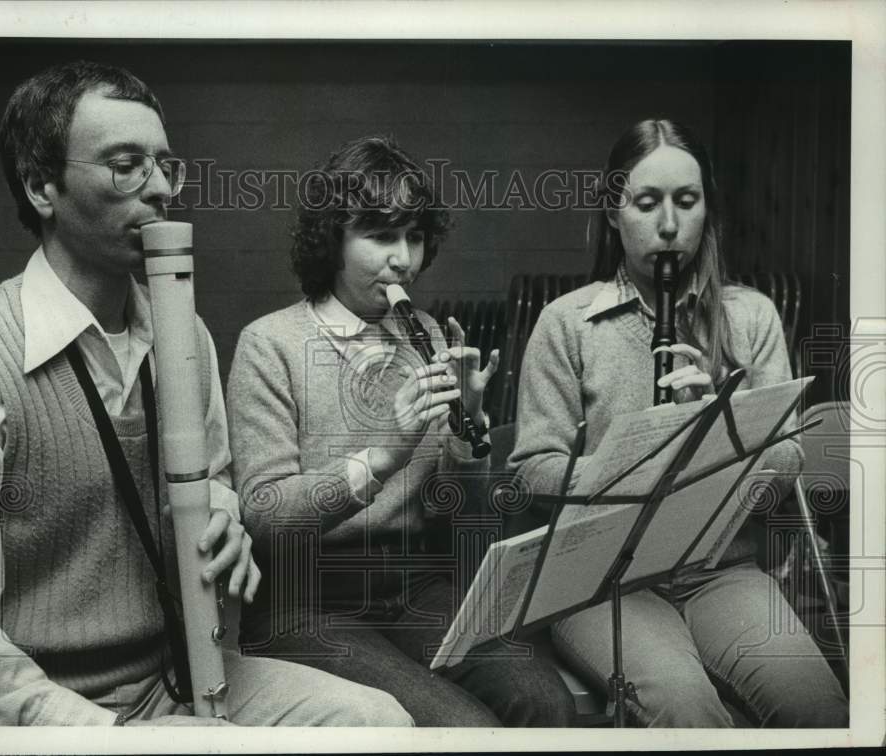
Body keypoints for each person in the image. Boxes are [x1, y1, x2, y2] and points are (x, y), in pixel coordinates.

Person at [0, 60, 413, 727]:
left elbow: (213, 483)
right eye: (125, 165)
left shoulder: (187, 336)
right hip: (50, 706)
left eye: (164, 165)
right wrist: (106, 735)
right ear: (42, 187)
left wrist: (226, 517)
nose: (158, 190)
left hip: (178, 673)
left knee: (378, 723)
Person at [507, 118, 849, 727]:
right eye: (646, 203)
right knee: (684, 707)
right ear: (614, 214)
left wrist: (724, 421)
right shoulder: (566, 324)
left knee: (818, 708)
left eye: (686, 202)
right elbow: (532, 472)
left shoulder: (751, 317)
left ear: (706, 211)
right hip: (600, 582)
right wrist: (636, 459)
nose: (669, 225)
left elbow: (789, 463)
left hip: (722, 571)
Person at [226, 135, 576, 727]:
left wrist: (468, 437)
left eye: (414, 236)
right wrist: (382, 456)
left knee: (544, 701)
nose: (404, 260)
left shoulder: (430, 335)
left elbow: (461, 518)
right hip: (306, 600)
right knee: (460, 727)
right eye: (381, 235)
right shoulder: (270, 344)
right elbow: (264, 516)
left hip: (414, 583)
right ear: (332, 238)